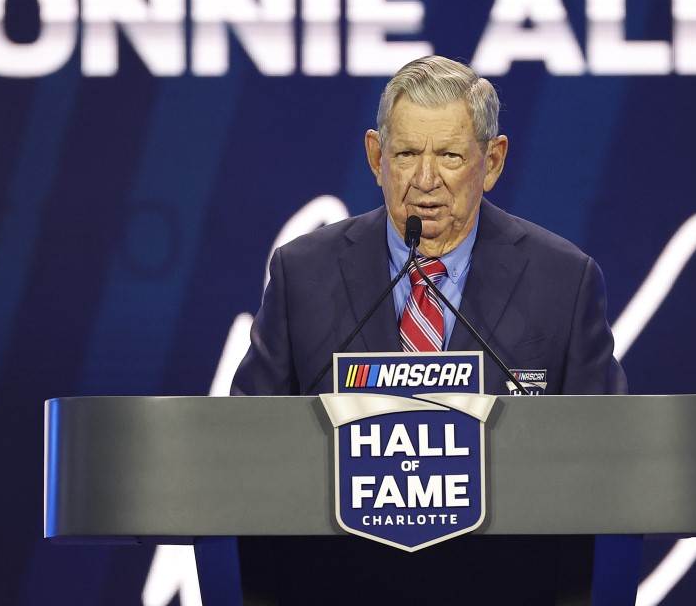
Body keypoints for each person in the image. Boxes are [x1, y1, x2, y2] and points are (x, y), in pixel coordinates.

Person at [231, 55, 627, 396]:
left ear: (491, 163)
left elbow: (607, 446)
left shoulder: (562, 282)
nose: (425, 179)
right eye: (406, 153)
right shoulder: (303, 274)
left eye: (449, 156)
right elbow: (250, 437)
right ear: (376, 158)